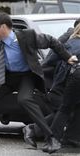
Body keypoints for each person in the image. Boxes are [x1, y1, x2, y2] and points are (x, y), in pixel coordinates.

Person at [0, 13, 77, 155]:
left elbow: (51, 41)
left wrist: (68, 57)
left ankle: (51, 138)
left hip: (26, 76)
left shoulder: (27, 37)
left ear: (3, 27)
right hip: (5, 76)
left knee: (24, 99)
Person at [22, 17, 80, 148]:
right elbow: (49, 61)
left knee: (72, 108)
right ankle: (34, 129)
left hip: (67, 81)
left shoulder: (70, 38)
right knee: (65, 110)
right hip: (56, 82)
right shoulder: (69, 39)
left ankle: (70, 138)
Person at [43, 24, 80, 152]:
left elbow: (50, 60)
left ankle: (58, 140)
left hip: (72, 78)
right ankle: (67, 139)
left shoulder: (70, 42)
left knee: (67, 108)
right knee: (68, 108)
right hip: (75, 77)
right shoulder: (72, 42)